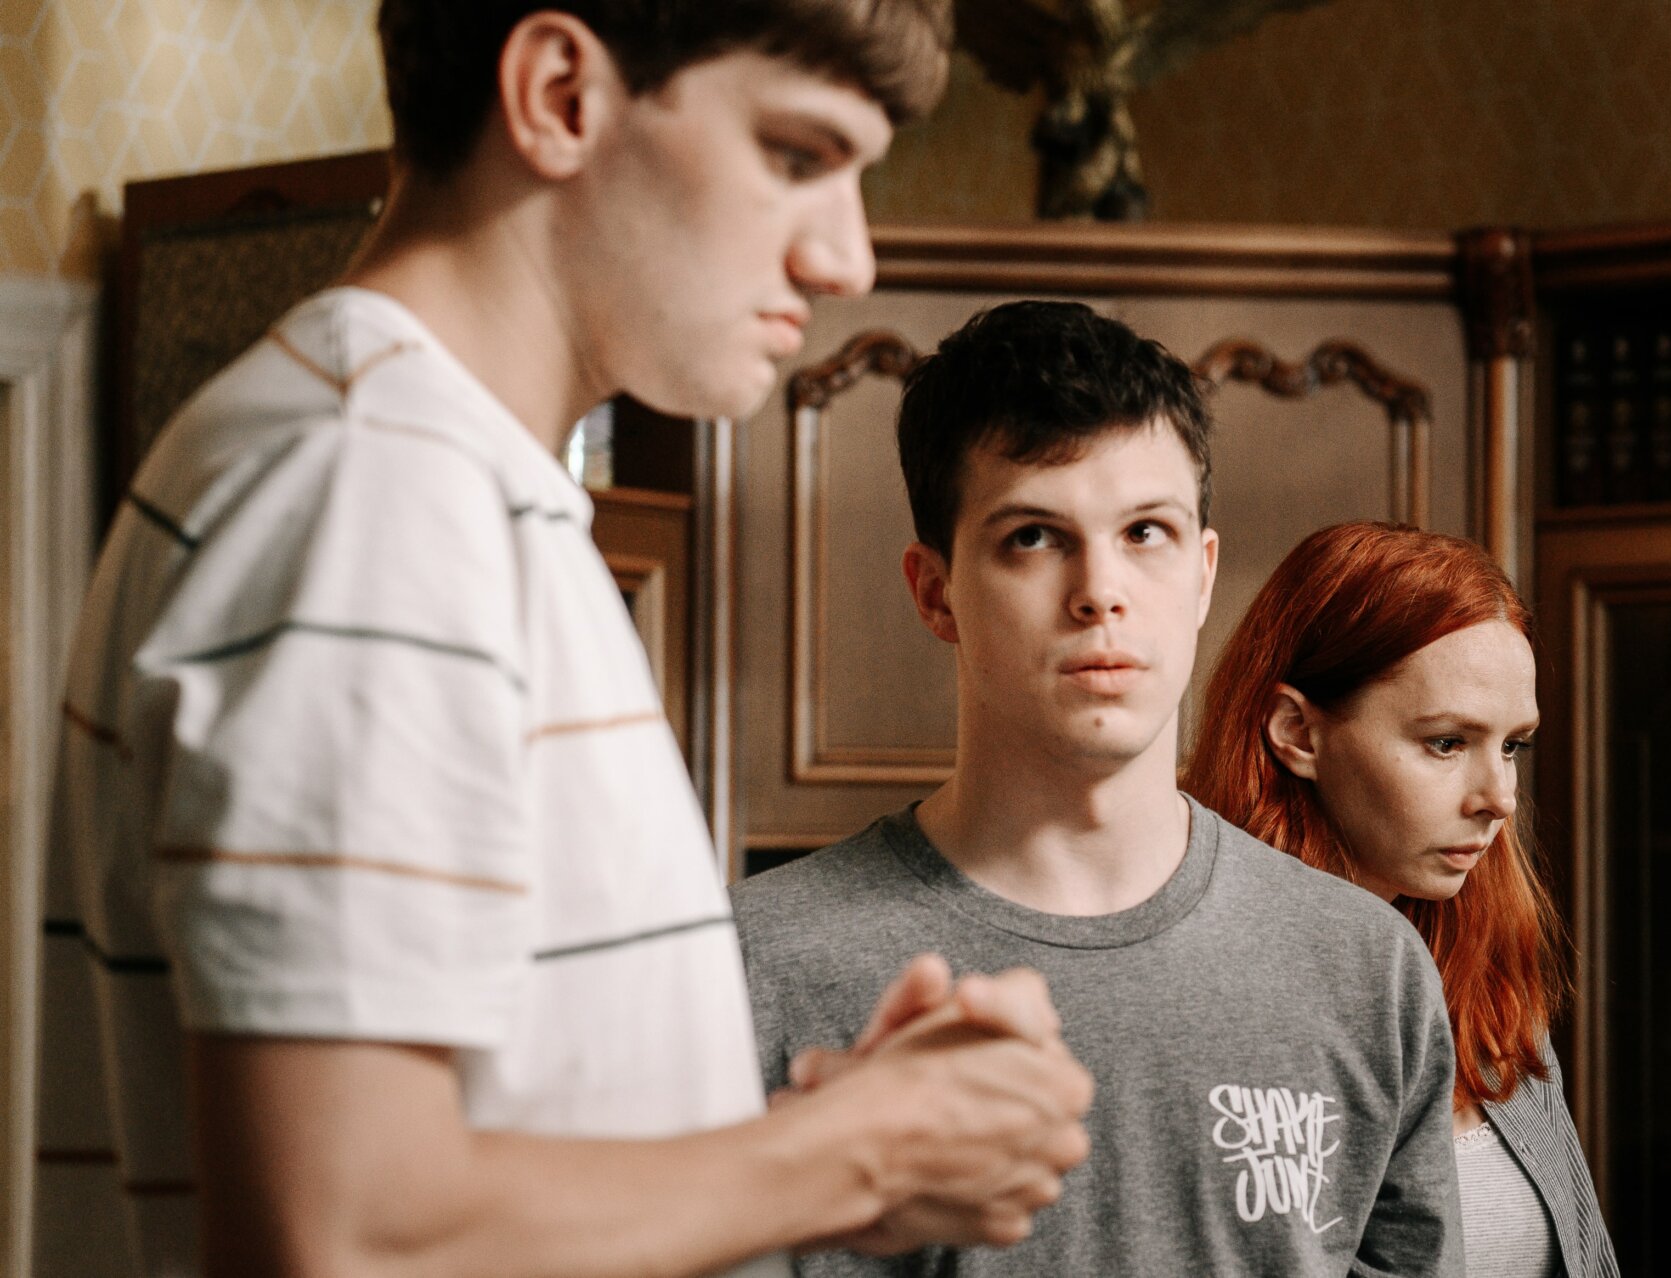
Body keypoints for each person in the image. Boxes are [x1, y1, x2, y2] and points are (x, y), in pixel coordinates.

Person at [50, 4, 1096, 1276]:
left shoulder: (434, 479)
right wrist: (854, 1150)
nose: (847, 259)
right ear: (559, 96)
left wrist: (819, 1156)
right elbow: (345, 1237)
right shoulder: (375, 491)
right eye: (798, 155)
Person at [732, 300, 1466, 1276]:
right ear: (935, 591)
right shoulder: (751, 967)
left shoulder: (1367, 968)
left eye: (1146, 531)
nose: (1100, 592)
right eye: (1034, 537)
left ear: (1203, 575)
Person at [1183, 520, 1620, 1278]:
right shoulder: (1203, 996)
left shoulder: (1485, 982)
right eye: (1447, 743)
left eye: (1512, 745)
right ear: (1298, 733)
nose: (1499, 797)